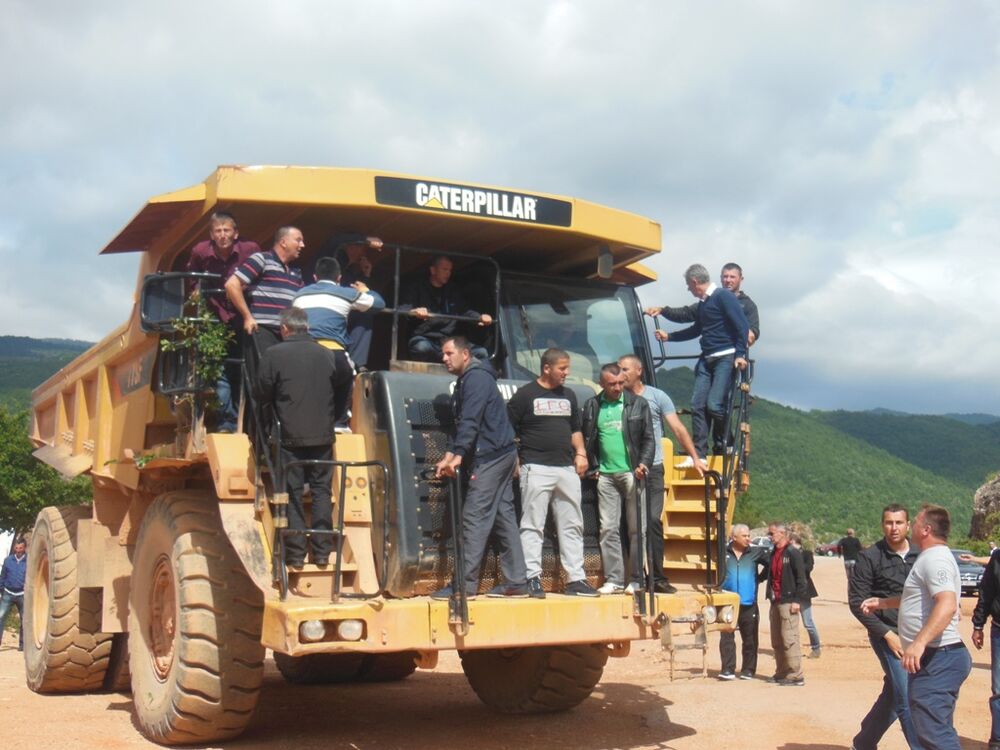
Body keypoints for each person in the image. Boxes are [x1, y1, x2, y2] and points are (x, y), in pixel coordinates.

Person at [862, 505, 973, 750]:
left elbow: (947, 603)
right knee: (930, 726)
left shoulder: (935, 558)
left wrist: (919, 643)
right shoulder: (929, 557)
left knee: (934, 731)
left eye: (915, 522)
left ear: (926, 529)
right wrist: (883, 603)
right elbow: (918, 597)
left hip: (940, 656)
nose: (908, 528)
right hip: (937, 657)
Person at [431, 336, 528, 599]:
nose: (444, 358)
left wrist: (460, 455)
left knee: (473, 518)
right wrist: (450, 453)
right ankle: (517, 582)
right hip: (502, 453)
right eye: (443, 353)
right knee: (502, 516)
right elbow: (461, 422)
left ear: (465, 353)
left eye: (449, 353)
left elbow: (471, 420)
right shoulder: (469, 379)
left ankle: (464, 586)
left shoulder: (475, 378)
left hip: (490, 456)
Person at [255, 308, 344, 568]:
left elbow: (261, 393)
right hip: (323, 437)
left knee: (292, 494)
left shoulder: (273, 354)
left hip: (290, 438)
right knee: (321, 493)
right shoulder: (328, 355)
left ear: (284, 328)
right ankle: (322, 554)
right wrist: (331, 418)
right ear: (307, 327)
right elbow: (342, 389)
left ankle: (295, 555)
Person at [507, 348, 598, 598]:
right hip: (535, 468)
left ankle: (576, 579)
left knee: (572, 525)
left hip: (566, 468)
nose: (567, 373)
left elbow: (575, 428)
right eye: (562, 369)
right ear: (547, 368)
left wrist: (580, 453)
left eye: (567, 368)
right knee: (532, 525)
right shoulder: (525, 395)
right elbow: (507, 429)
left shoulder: (568, 395)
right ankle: (532, 578)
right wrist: (515, 460)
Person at [617, 354, 703, 594]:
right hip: (623, 468)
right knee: (627, 524)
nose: (620, 374)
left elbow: (677, 427)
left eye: (624, 369)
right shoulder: (616, 397)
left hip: (652, 467)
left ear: (638, 371)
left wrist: (695, 457)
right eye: (618, 370)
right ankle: (632, 576)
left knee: (652, 520)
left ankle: (657, 577)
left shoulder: (656, 397)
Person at [644, 263, 749, 460]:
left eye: (688, 286)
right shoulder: (704, 303)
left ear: (694, 282)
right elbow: (696, 329)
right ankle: (699, 454)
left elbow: (742, 325)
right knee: (698, 405)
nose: (688, 289)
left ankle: (729, 443)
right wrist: (670, 337)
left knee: (715, 405)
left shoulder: (722, 296)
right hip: (707, 359)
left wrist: (740, 354)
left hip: (726, 357)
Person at [848, 504, 922, 750]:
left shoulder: (921, 554)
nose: (894, 528)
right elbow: (858, 603)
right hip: (887, 634)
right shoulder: (869, 557)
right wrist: (888, 635)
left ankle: (864, 742)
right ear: (883, 525)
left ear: (908, 525)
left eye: (899, 522)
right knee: (907, 696)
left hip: (918, 636)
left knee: (894, 693)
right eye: (889, 523)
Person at [185, 212, 262, 432]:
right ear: (211, 234)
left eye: (226, 230)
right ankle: (227, 422)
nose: (222, 235)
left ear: (235, 233)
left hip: (243, 318)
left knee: (243, 370)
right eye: (217, 231)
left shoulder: (250, 250)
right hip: (216, 319)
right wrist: (197, 291)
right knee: (221, 373)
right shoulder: (200, 252)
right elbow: (193, 276)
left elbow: (260, 274)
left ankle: (247, 421)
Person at [581, 363, 655, 594]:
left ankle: (636, 579)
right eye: (611, 384)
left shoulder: (638, 404)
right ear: (601, 384)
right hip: (605, 475)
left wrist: (643, 464)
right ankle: (614, 579)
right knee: (608, 529)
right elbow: (587, 438)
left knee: (636, 529)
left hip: (632, 472)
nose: (617, 388)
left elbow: (649, 439)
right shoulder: (592, 405)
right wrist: (593, 467)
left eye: (621, 383)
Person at [293, 256, 384, 431]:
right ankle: (340, 424)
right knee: (347, 374)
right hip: (333, 352)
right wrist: (366, 290)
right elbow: (378, 304)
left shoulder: (300, 294)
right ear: (339, 278)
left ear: (314, 277)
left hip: (301, 352)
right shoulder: (346, 293)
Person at [225, 226, 306, 357]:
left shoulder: (295, 273)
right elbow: (232, 285)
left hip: (287, 335)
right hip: (262, 331)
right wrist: (247, 317)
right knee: (262, 375)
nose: (302, 245)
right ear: (283, 242)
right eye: (298, 240)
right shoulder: (262, 259)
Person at [313, 232, 385, 371]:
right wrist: (365, 239)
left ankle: (355, 364)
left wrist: (366, 274)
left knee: (365, 316)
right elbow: (334, 240)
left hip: (342, 311)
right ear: (351, 248)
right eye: (361, 247)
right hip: (323, 311)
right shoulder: (331, 260)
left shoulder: (351, 272)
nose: (363, 252)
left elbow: (363, 298)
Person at [399, 255, 491, 362]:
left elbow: (465, 311)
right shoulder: (417, 287)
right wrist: (414, 312)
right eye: (444, 269)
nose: (448, 273)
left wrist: (479, 317)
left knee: (481, 352)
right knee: (421, 348)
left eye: (450, 270)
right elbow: (403, 309)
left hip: (449, 342)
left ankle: (459, 368)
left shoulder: (453, 290)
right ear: (433, 270)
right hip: (425, 338)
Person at [655, 262, 760, 346]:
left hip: (732, 358)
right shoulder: (710, 301)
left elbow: (751, 335)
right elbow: (687, 315)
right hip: (710, 354)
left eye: (732, 277)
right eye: (725, 276)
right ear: (720, 278)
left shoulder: (748, 305)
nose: (728, 280)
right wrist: (662, 311)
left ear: (741, 279)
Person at [718, 524, 768, 680]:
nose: (748, 538)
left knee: (750, 638)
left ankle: (748, 670)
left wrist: (760, 578)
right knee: (726, 637)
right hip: (727, 603)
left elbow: (771, 564)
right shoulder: (721, 553)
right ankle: (728, 669)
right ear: (734, 537)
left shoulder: (755, 553)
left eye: (748, 535)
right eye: (745, 536)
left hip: (748, 602)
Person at [766, 522, 807, 686]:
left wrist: (797, 600)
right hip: (775, 601)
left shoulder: (793, 553)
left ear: (782, 533)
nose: (770, 536)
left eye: (772, 533)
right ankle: (781, 671)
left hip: (788, 601)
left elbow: (801, 579)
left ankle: (795, 674)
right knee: (777, 638)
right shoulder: (773, 553)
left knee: (789, 638)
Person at [971, 544, 1000, 749]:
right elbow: (986, 590)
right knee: (999, 689)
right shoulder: (998, 557)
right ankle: (997, 739)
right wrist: (978, 624)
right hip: (999, 630)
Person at [791, 533, 822, 658]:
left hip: (804, 592)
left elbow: (808, 568)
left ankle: (816, 648)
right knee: (790, 624)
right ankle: (791, 649)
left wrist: (796, 562)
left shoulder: (806, 554)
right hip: (790, 592)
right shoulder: (788, 555)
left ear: (794, 542)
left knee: (808, 622)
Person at [0, 538, 27, 651]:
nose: (18, 550)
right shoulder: (8, 560)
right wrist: (2, 590)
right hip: (8, 593)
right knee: (0, 616)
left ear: (25, 548)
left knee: (24, 620)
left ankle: (23, 645)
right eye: (16, 548)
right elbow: (3, 576)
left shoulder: (30, 561)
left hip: (23, 594)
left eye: (20, 548)